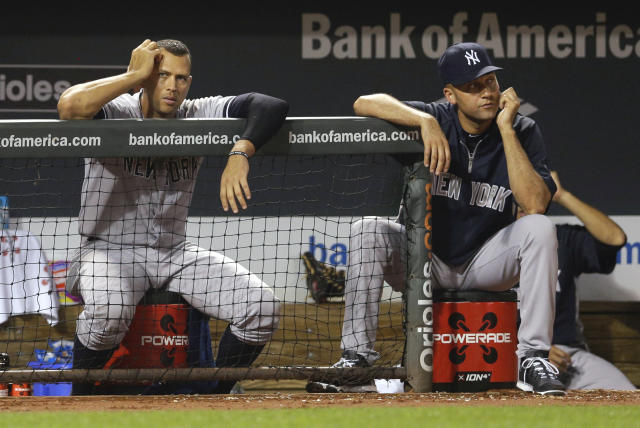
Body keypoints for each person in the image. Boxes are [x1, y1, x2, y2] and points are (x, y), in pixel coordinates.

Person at [310, 42, 564, 395]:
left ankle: (532, 357)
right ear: (451, 94)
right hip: (424, 260)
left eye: (489, 82)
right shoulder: (435, 117)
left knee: (540, 228)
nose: (486, 93)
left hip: (485, 261)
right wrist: (423, 120)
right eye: (472, 87)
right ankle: (357, 359)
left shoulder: (521, 129)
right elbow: (363, 103)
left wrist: (506, 130)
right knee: (367, 230)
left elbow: (535, 204)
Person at [57, 39, 289, 395]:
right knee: (109, 310)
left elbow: (271, 105)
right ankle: (80, 400)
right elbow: (69, 106)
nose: (172, 86)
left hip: (175, 253)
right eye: (162, 74)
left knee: (262, 307)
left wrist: (241, 151)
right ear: (148, 75)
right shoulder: (117, 110)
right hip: (108, 251)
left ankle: (215, 397)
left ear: (189, 82)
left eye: (181, 78)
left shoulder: (198, 111)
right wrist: (132, 75)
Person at [545, 171, 635, 390]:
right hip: (512, 356)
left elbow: (615, 238)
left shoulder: (561, 238)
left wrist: (561, 195)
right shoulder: (492, 243)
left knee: (628, 401)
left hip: (569, 355)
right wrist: (529, 352)